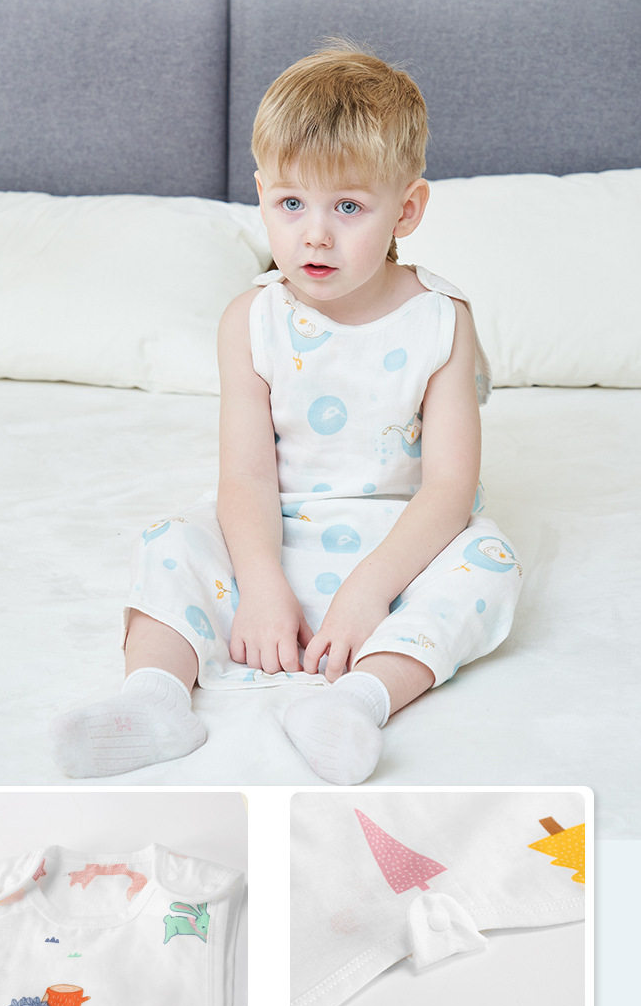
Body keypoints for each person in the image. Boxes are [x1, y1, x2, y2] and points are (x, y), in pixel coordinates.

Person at [53, 45, 522, 784]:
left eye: (349, 207)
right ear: (262, 193)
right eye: (291, 203)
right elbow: (244, 477)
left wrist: (369, 590)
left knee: (491, 565)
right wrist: (262, 582)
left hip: (401, 543)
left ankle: (358, 702)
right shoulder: (251, 319)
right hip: (270, 530)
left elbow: (448, 489)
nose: (315, 235)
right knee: (171, 541)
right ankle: (154, 698)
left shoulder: (441, 319)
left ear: (407, 209)